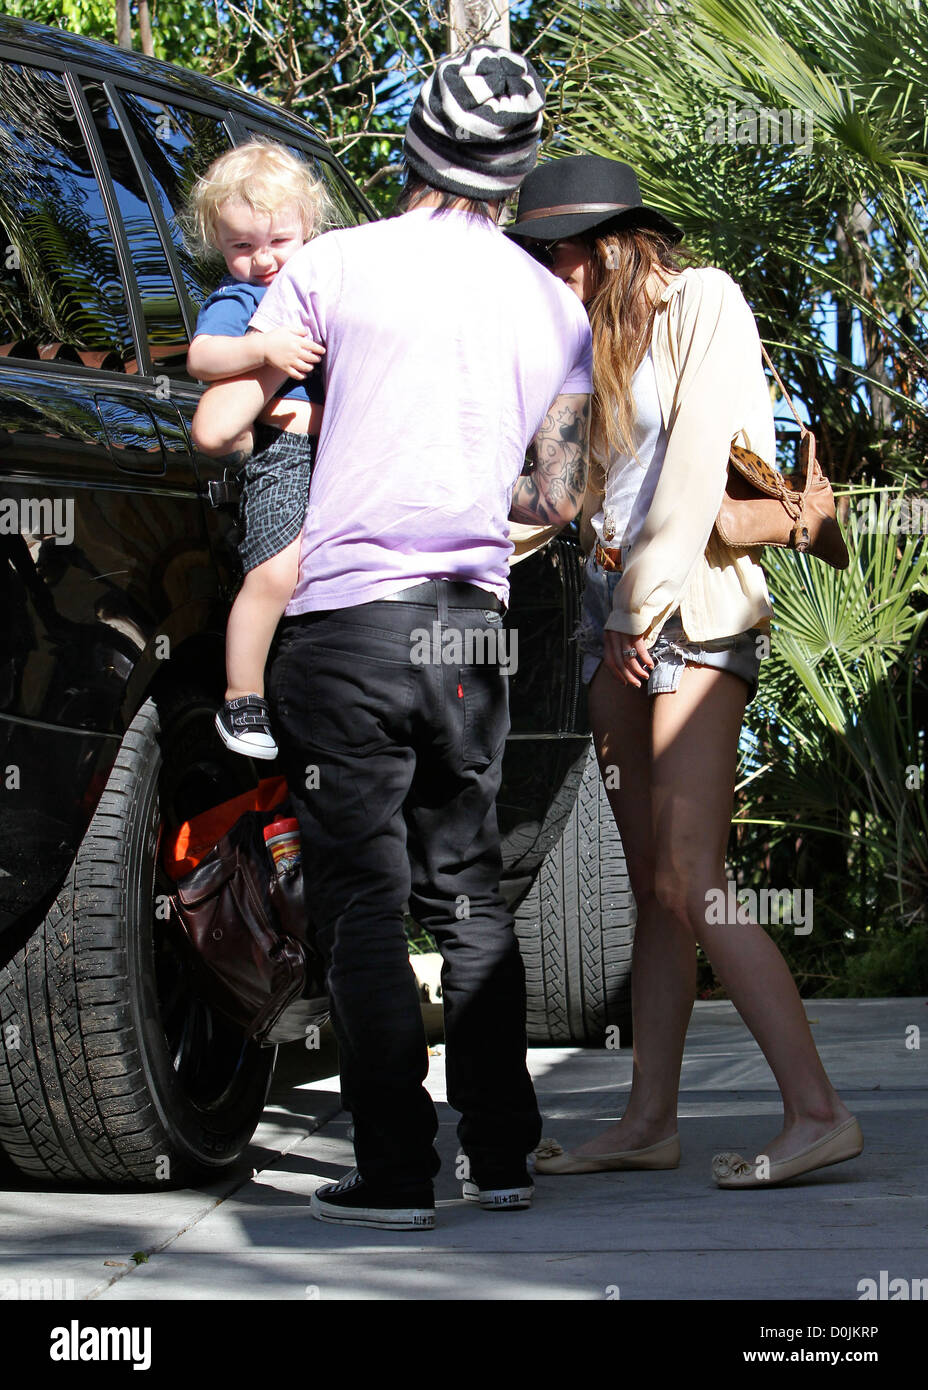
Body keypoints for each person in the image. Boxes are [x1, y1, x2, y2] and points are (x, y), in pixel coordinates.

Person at [191, 46, 594, 1229]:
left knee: (364, 899)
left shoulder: (331, 264)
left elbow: (226, 422)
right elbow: (556, 497)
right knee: (468, 888)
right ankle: (506, 1155)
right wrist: (462, 509)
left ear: (413, 146)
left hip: (347, 620)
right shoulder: (551, 301)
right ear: (513, 179)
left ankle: (396, 1170)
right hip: (467, 626)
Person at [508, 154, 863, 1188]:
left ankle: (817, 1108)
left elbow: (701, 461)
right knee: (652, 887)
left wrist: (638, 603)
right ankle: (647, 1118)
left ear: (610, 244)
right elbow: (547, 502)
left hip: (688, 613)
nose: (546, 269)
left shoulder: (702, 302)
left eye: (556, 251)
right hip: (605, 621)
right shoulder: (576, 343)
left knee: (690, 876)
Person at [186, 140, 329, 759]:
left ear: (311, 231)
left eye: (279, 242)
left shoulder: (330, 292)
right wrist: (261, 350)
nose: (263, 260)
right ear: (220, 246)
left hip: (336, 456)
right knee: (273, 573)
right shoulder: (240, 302)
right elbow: (201, 358)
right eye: (242, 246)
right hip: (282, 456)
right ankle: (243, 695)